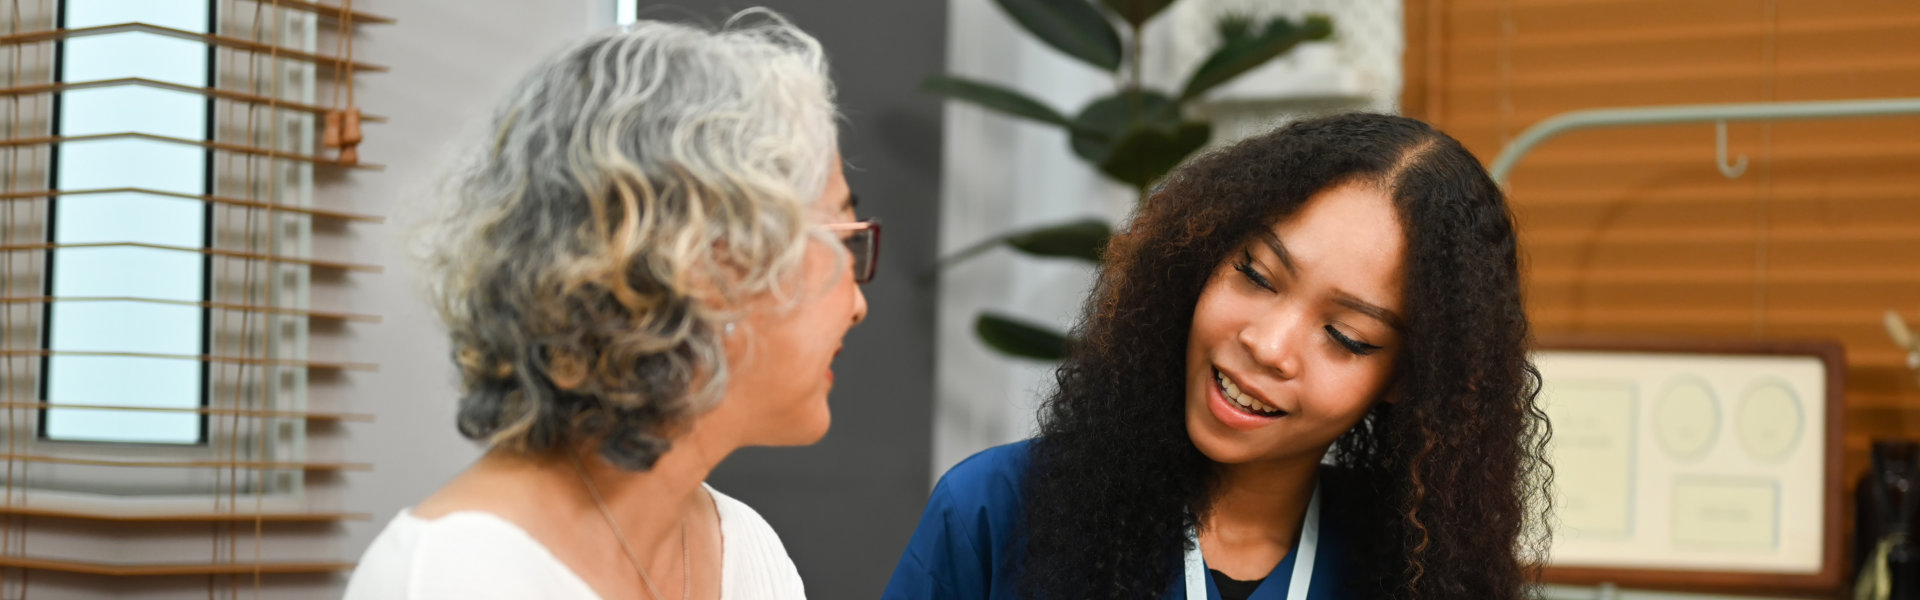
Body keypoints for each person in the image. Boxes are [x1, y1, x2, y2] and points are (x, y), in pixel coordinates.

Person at [883, 113, 1549, 600]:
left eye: (1346, 337)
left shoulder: (1417, 569)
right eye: (1255, 276)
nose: (1268, 345)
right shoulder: (995, 512)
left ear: (1406, 378)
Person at [344, 11, 876, 600]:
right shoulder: (450, 578)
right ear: (705, 264)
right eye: (842, 239)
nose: (859, 305)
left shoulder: (747, 551)